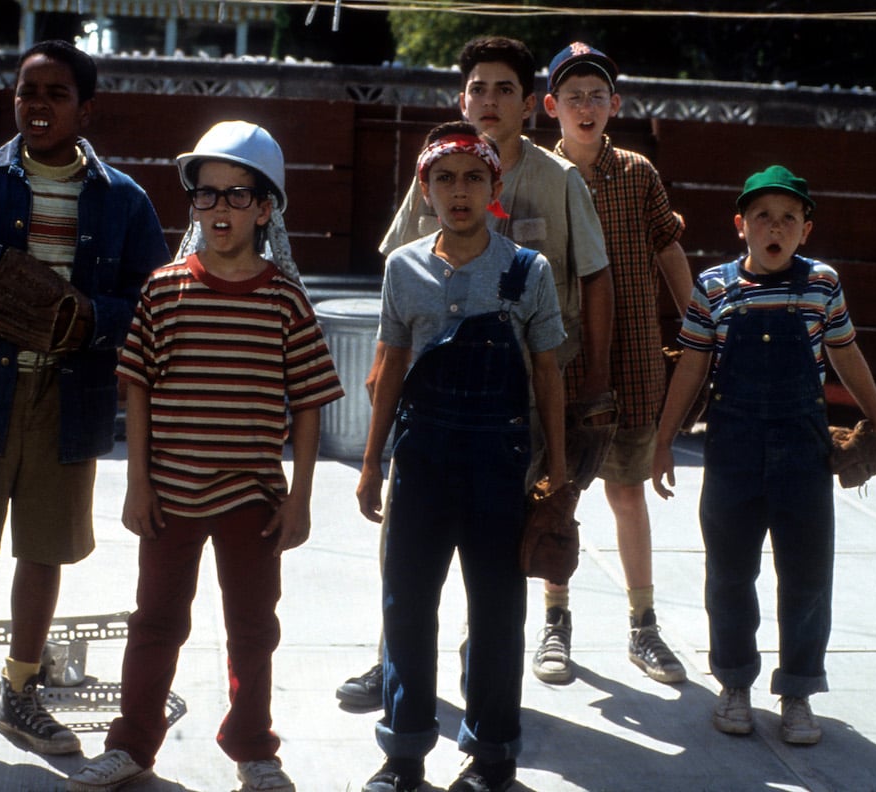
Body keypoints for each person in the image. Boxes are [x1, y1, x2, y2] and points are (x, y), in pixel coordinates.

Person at [0, 40, 169, 764]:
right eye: (26, 91)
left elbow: (149, 301)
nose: (37, 104)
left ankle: (22, 693)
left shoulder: (124, 199)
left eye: (54, 93)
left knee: (42, 549)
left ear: (87, 108)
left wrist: (85, 317)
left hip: (69, 393)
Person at [65, 121, 344, 792]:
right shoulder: (164, 290)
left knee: (253, 628)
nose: (219, 210)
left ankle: (253, 745)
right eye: (206, 195)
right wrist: (138, 485)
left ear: (266, 207)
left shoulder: (284, 300)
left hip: (253, 499)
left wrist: (301, 495)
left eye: (237, 195)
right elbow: (137, 387)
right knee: (155, 623)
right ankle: (132, 743)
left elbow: (308, 402)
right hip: (170, 494)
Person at [336, 33, 611, 711]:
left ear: (528, 104)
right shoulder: (437, 168)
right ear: (461, 99)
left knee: (499, 548)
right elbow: (399, 277)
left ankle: (480, 677)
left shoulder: (558, 179)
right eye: (477, 88)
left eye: (504, 89)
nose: (489, 100)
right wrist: (382, 372)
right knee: (409, 539)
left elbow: (595, 280)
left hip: (520, 402)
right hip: (431, 402)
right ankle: (389, 659)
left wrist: (594, 385)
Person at [356, 121, 568, 792]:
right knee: (407, 605)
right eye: (443, 178)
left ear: (494, 187)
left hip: (498, 461)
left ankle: (493, 757)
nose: (459, 190)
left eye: (473, 177)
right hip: (421, 458)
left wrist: (556, 466)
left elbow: (548, 374)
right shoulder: (402, 267)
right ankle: (404, 754)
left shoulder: (526, 271)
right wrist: (370, 462)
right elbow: (389, 366)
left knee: (498, 610)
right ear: (425, 189)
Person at [651, 165, 876, 745]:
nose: (775, 226)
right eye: (763, 216)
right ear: (742, 225)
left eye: (789, 217)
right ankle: (734, 683)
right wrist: (663, 440)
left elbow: (845, 351)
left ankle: (798, 692)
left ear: (805, 229)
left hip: (802, 446)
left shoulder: (823, 284)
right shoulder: (713, 287)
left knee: (806, 574)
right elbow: (692, 365)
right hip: (731, 446)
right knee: (731, 572)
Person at [530, 41, 694, 686]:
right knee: (556, 495)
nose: (586, 106)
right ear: (551, 107)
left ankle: (643, 626)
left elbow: (669, 250)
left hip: (633, 365)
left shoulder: (638, 173)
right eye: (573, 96)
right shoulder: (538, 175)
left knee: (629, 493)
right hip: (561, 365)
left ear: (615, 104)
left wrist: (702, 324)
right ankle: (555, 620)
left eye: (597, 95)